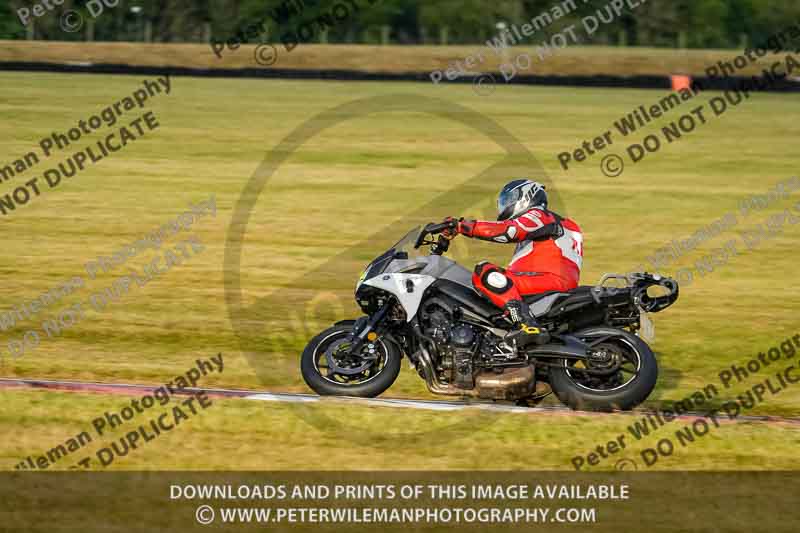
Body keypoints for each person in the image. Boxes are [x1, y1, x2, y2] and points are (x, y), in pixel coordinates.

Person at [442, 179, 583, 346]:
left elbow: (509, 231)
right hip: (549, 279)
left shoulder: (540, 215)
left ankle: (526, 324)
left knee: (486, 272)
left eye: (508, 200)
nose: (504, 207)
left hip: (551, 280)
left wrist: (463, 226)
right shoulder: (542, 227)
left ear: (527, 196)